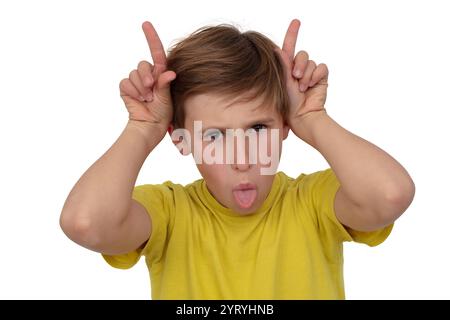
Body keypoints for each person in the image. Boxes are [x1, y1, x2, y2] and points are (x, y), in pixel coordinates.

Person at [59, 19, 415, 299]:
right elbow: (86, 223)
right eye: (214, 136)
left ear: (285, 125)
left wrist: (312, 118)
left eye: (258, 128)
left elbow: (390, 194)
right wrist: (141, 128)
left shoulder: (312, 202)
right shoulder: (168, 213)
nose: (243, 159)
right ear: (180, 138)